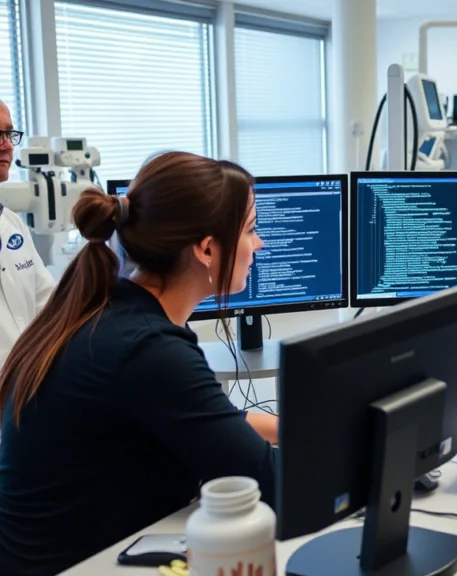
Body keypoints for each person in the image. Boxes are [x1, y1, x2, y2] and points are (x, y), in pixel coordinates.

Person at [0, 151, 278, 575]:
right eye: (251, 230)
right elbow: (265, 479)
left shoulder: (113, 310)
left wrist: (289, 425)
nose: (259, 243)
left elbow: (206, 420)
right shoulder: (147, 349)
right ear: (206, 248)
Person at [0, 99, 56, 370]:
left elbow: (48, 306)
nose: (8, 145)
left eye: (9, 133)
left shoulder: (11, 224)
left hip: (22, 393)